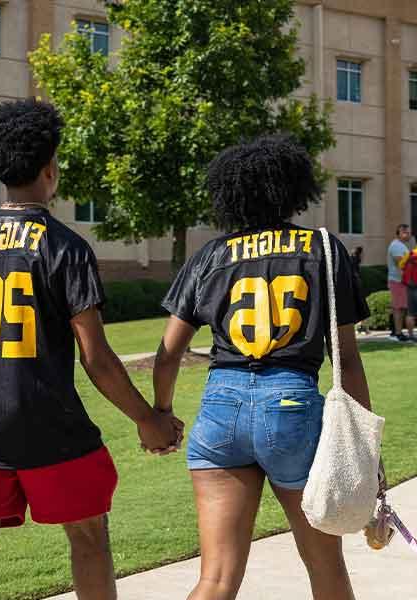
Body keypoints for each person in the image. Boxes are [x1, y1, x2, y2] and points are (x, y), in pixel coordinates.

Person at [0, 100, 182, 600]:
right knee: (89, 539)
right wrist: (147, 420)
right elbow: (97, 358)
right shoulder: (65, 246)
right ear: (50, 169)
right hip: (48, 422)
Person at [153, 135, 373, 600]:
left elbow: (169, 351)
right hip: (292, 401)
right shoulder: (321, 247)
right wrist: (362, 445)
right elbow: (346, 357)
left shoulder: (210, 255)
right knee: (326, 570)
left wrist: (161, 412)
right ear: (292, 188)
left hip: (220, 404)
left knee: (214, 579)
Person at [385, 225, 412, 342]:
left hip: (401, 281)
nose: (407, 234)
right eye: (404, 232)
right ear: (398, 234)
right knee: (398, 308)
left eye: (408, 232)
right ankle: (397, 333)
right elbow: (400, 263)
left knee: (400, 307)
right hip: (397, 281)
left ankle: (397, 331)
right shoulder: (396, 246)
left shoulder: (401, 246)